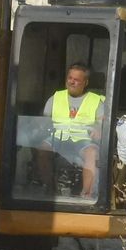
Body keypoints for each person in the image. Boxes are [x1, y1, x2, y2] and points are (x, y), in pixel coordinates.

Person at [34, 63, 106, 199]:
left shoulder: (96, 101)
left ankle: (87, 195)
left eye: (76, 80)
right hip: (59, 137)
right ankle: (50, 189)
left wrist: (98, 130)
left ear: (85, 82)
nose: (71, 82)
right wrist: (39, 128)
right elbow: (44, 121)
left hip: (83, 139)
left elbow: (102, 123)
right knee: (42, 149)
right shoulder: (55, 98)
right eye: (70, 78)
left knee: (92, 153)